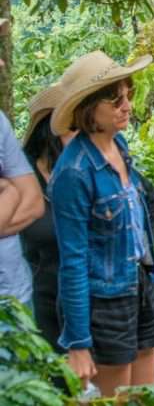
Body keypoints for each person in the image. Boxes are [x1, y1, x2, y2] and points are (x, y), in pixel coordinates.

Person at [49, 51, 154, 397]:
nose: (126, 106)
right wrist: (78, 343)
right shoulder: (74, 173)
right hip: (104, 297)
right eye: (114, 99)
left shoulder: (118, 143)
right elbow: (71, 261)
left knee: (146, 395)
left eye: (129, 94)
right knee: (113, 393)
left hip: (138, 279)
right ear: (88, 110)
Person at [19, 82, 77, 351]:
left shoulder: (87, 169)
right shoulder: (21, 176)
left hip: (85, 300)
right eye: (72, 128)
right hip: (40, 301)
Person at [0, 17, 45, 308]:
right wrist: (10, 192)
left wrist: (11, 191)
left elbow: (33, 202)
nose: (2, 63)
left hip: (16, 298)